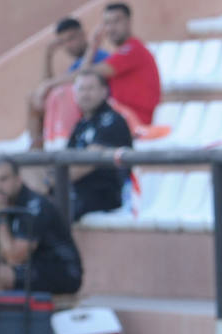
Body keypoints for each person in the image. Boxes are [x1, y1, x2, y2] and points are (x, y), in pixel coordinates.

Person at [0, 158, 82, 296]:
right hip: (28, 269)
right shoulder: (2, 203)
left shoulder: (34, 206)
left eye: (3, 179)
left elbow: (15, 257)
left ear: (18, 179)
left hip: (61, 271)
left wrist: (1, 219)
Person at [27, 17, 109, 150]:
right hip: (79, 113)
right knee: (33, 97)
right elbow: (45, 92)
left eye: (71, 39)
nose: (68, 45)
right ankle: (35, 150)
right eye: (63, 42)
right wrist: (48, 56)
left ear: (83, 34)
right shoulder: (74, 65)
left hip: (95, 111)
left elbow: (81, 76)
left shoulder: (100, 57)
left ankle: (60, 146)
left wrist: (48, 84)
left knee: (63, 93)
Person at [80, 2, 161, 130]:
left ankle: (59, 141)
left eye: (116, 21)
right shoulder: (122, 51)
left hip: (135, 119)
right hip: (119, 117)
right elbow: (83, 76)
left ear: (129, 22)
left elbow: (85, 74)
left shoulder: (133, 49)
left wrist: (92, 46)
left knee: (71, 93)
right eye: (107, 23)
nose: (111, 28)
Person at [66, 70, 134, 220]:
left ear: (104, 92)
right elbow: (67, 158)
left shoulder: (113, 120)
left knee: (53, 210)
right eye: (81, 89)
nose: (85, 94)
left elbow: (90, 160)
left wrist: (53, 180)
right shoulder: (80, 124)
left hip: (105, 195)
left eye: (90, 88)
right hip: (78, 192)